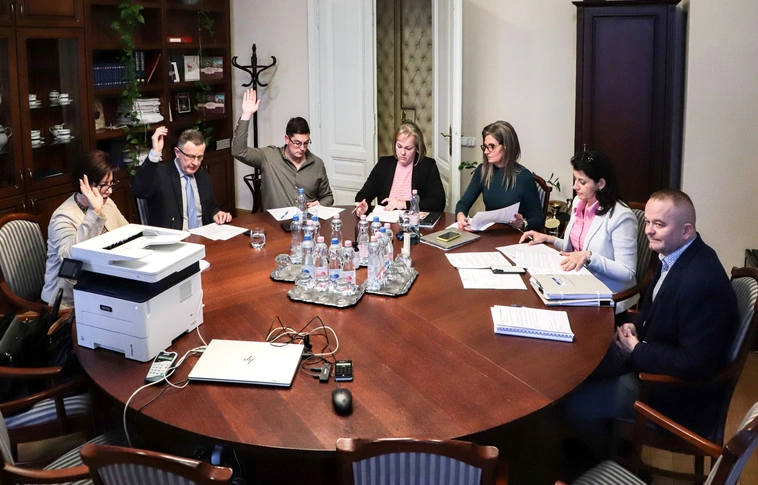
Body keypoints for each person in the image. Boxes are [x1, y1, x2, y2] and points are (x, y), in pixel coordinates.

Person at [563, 189, 739, 458]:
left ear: (686, 231)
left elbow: (696, 363)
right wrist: (637, 326)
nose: (648, 231)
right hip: (653, 358)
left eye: (659, 224)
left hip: (672, 392)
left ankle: (607, 460)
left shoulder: (701, 282)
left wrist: (637, 349)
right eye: (647, 222)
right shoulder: (675, 255)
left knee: (575, 405)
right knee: (579, 369)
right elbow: (657, 308)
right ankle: (610, 439)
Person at [520, 150, 637, 313]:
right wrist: (548, 238)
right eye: (575, 179)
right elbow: (575, 249)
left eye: (582, 182)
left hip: (607, 293)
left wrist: (589, 257)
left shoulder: (621, 216)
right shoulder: (579, 202)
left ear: (601, 184)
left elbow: (628, 272)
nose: (575, 186)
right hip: (577, 282)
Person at [42, 151, 129, 307]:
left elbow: (126, 233)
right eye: (103, 185)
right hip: (67, 302)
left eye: (111, 184)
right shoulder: (63, 216)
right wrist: (93, 212)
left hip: (100, 285)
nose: (109, 191)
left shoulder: (107, 203)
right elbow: (69, 257)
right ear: (84, 183)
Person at [231, 88, 334, 210]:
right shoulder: (269, 157)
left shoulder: (317, 164)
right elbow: (238, 151)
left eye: (306, 143)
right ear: (287, 139)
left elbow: (328, 197)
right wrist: (246, 116)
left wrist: (321, 204)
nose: (302, 148)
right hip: (274, 220)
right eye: (297, 143)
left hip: (306, 219)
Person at [131, 127, 232, 230]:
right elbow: (139, 191)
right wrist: (155, 152)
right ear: (177, 152)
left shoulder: (203, 177)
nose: (196, 163)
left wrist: (217, 214)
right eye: (190, 157)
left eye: (199, 157)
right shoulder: (161, 174)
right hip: (174, 237)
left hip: (203, 235)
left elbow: (210, 208)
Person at [455, 121, 544, 231]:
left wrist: (523, 223)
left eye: (491, 146)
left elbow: (539, 220)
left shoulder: (524, 177)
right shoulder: (482, 171)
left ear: (506, 146)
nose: (486, 152)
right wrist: (461, 217)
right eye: (485, 147)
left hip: (514, 235)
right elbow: (463, 203)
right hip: (490, 233)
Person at [353, 121, 445, 216]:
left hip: (414, 221)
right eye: (399, 146)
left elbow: (438, 202)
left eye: (408, 148)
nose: (402, 152)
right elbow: (362, 195)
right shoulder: (384, 164)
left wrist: (403, 204)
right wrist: (363, 207)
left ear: (417, 148)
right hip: (386, 221)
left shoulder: (427, 166)